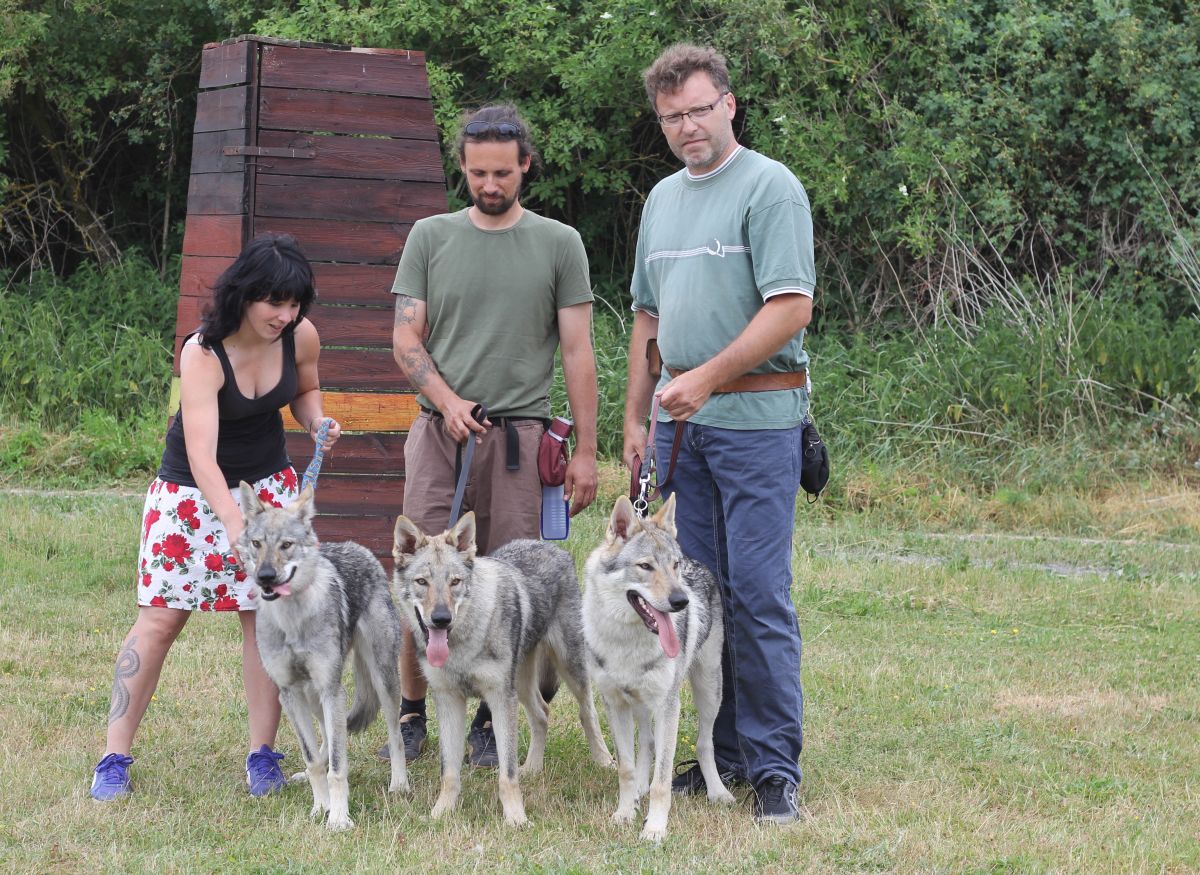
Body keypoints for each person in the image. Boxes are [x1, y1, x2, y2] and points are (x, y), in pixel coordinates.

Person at [622, 43, 814, 825]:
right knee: (693, 597)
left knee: (757, 594)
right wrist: (637, 417)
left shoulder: (770, 188)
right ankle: (722, 753)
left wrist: (707, 378)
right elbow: (647, 317)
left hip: (757, 424)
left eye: (700, 109)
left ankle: (774, 769)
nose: (687, 127)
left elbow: (791, 306)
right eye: (672, 116)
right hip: (679, 434)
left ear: (729, 104)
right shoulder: (662, 199)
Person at [88, 233, 342, 801]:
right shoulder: (203, 351)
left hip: (269, 494)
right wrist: (233, 523)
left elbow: (307, 390)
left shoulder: (301, 336)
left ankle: (263, 756)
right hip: (191, 498)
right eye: (274, 302)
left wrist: (315, 421)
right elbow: (202, 454)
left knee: (265, 620)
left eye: (295, 303)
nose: (285, 314)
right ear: (245, 295)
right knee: (159, 621)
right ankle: (113, 756)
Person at [388, 103, 599, 767]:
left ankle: (491, 715)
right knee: (420, 575)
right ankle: (412, 706)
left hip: (518, 441)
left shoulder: (559, 242)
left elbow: (577, 350)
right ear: (463, 166)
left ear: (525, 165)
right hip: (438, 433)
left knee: (510, 584)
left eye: (502, 172)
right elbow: (404, 337)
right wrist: (445, 400)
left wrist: (587, 451)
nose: (489, 183)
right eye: (478, 171)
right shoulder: (430, 236)